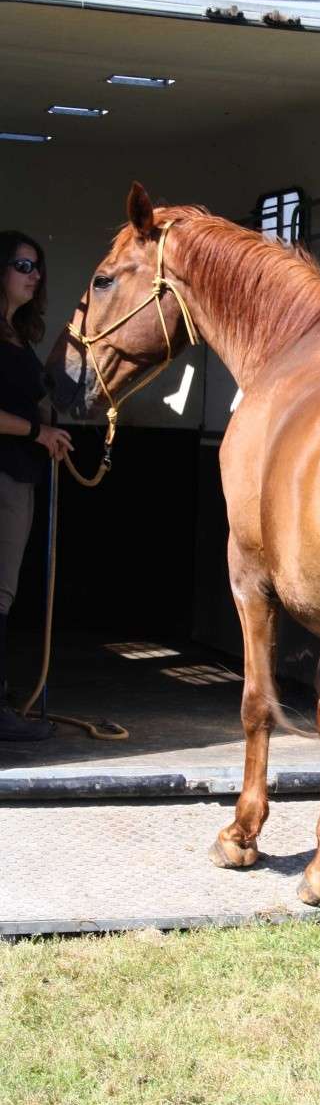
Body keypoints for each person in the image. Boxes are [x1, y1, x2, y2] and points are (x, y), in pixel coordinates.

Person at [0, 230, 73, 739]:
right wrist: (36, 430)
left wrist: (50, 423)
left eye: (37, 267)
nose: (34, 275)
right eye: (23, 266)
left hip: (20, 474)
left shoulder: (19, 336)